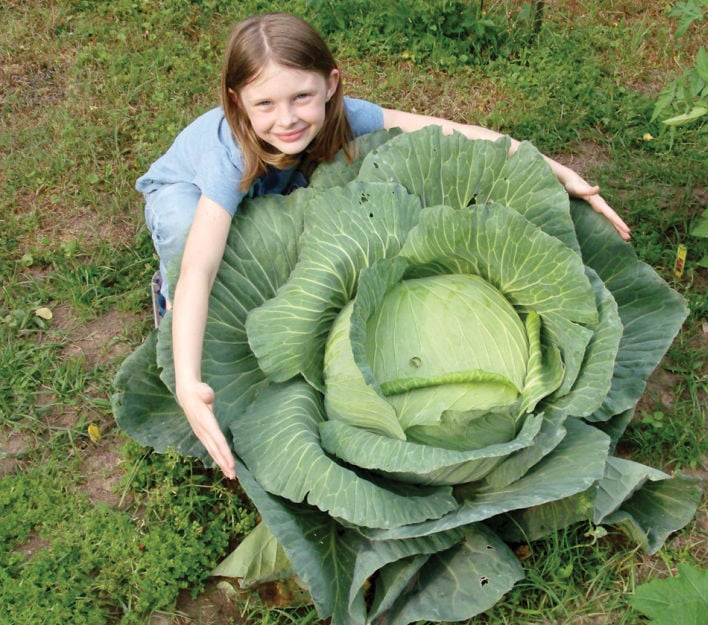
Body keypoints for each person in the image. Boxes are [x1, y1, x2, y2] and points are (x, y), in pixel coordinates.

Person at [136, 12, 631, 480]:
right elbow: (200, 266)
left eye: (302, 96)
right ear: (236, 102)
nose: (286, 118)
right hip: (191, 194)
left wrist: (550, 168)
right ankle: (170, 302)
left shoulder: (344, 116)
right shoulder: (228, 156)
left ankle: (267, 235)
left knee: (294, 226)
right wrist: (187, 378)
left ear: (331, 84)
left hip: (277, 188)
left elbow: (459, 136)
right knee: (192, 240)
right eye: (264, 103)